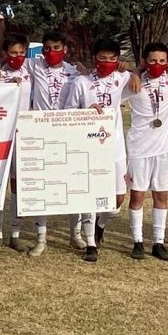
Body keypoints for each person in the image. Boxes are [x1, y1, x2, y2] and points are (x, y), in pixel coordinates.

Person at [60, 38, 133, 262]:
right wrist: (86, 111)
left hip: (116, 146)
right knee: (91, 196)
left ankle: (101, 224)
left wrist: (131, 67)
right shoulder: (81, 82)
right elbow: (68, 111)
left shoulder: (122, 78)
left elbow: (145, 72)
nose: (107, 63)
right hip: (90, 145)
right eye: (102, 58)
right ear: (94, 59)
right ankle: (91, 244)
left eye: (112, 59)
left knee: (118, 199)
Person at [24, 30, 82, 255]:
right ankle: (41, 238)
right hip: (41, 133)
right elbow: (12, 58)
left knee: (73, 186)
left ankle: (75, 234)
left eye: (56, 48)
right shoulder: (34, 65)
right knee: (42, 186)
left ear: (65, 50)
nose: (51, 52)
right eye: (47, 48)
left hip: (67, 133)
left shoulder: (75, 72)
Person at [123, 43, 168, 261]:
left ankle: (158, 242)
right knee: (137, 196)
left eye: (162, 61)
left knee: (161, 196)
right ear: (144, 61)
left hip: (163, 149)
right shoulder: (132, 83)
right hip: (139, 148)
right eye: (153, 61)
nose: (158, 65)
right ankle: (137, 241)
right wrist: (135, 72)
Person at [0, 34, 33, 252]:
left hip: (23, 134)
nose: (18, 57)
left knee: (18, 186)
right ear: (5, 54)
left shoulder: (31, 69)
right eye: (13, 53)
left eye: (22, 53)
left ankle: (15, 234)